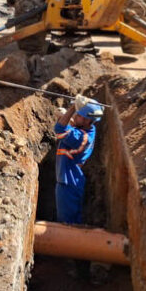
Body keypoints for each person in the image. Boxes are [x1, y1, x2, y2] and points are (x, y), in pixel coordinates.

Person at [53, 95, 104, 225]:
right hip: (72, 181)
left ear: (87, 120)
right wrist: (68, 117)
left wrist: (71, 108)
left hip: (68, 183)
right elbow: (72, 128)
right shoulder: (87, 129)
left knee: (67, 224)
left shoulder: (82, 138)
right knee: (72, 221)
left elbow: (59, 129)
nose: (75, 116)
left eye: (79, 114)